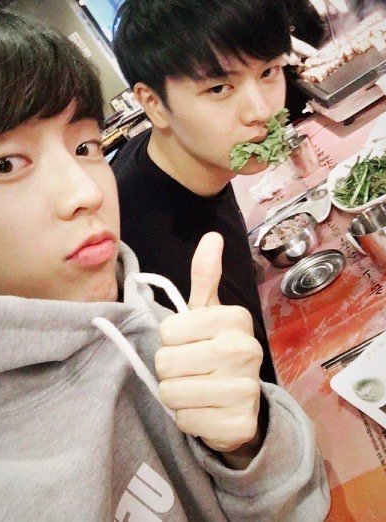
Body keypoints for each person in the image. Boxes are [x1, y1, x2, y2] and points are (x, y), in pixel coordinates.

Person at [0, 9, 330, 521]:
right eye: (6, 164)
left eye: (84, 147)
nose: (85, 192)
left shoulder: (130, 299)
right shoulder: (137, 250)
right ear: (152, 104)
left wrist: (245, 445)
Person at [112, 0, 293, 384]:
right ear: (153, 104)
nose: (261, 111)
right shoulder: (148, 253)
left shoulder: (186, 158)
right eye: (219, 88)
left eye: (269, 71)